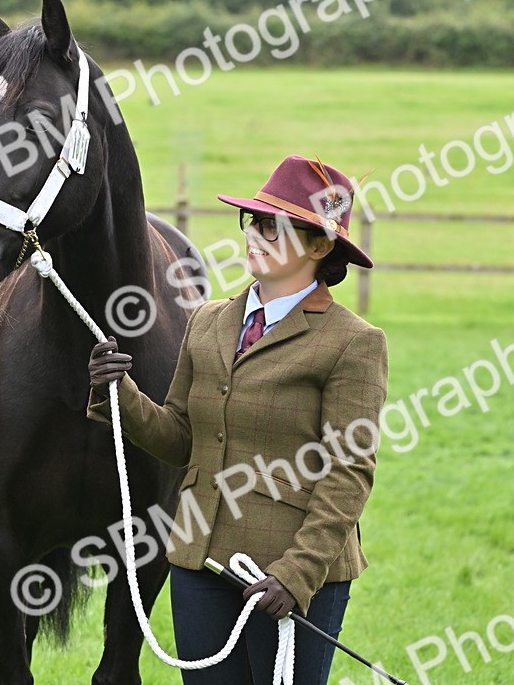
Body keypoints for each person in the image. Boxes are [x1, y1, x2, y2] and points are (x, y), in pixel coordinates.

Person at [86, 154, 390, 685]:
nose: (257, 234)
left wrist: (297, 575)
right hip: (200, 563)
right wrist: (118, 393)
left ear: (320, 247)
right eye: (254, 220)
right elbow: (181, 438)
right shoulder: (207, 321)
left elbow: (349, 475)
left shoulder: (355, 343)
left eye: (275, 226)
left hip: (293, 576)